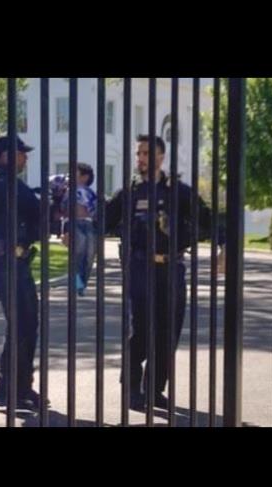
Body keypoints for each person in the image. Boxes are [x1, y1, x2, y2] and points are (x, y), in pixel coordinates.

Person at [104, 134, 226, 410]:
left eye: (146, 153)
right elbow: (104, 219)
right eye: (139, 154)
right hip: (139, 268)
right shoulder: (130, 192)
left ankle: (154, 389)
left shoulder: (179, 192)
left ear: (160, 157)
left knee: (168, 331)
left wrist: (225, 247)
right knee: (140, 330)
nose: (141, 159)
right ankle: (132, 388)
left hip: (172, 268)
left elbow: (207, 219)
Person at [0, 134, 49, 412]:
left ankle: (17, 387)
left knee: (25, 324)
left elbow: (36, 221)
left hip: (14, 262)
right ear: (6, 156)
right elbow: (36, 215)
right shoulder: (2, 184)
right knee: (22, 323)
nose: (26, 157)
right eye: (22, 153)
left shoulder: (9, 185)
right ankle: (7, 389)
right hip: (5, 263)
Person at [60, 163, 99, 296]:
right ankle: (76, 285)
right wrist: (64, 230)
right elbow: (64, 212)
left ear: (85, 177)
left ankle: (82, 284)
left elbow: (96, 211)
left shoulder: (90, 193)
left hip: (89, 225)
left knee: (89, 256)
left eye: (74, 173)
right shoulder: (68, 192)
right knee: (77, 255)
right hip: (74, 224)